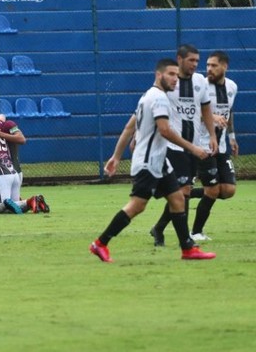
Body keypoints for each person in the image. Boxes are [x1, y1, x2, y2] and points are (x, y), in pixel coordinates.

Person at [89, 58, 216, 262]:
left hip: (159, 161)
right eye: (171, 75)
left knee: (177, 199)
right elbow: (165, 130)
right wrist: (193, 148)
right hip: (148, 162)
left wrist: (116, 156)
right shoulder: (158, 98)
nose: (176, 79)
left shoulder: (147, 96)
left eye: (177, 75)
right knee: (136, 206)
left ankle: (188, 248)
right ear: (159, 75)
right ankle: (100, 243)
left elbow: (129, 127)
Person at [149, 44, 217, 247]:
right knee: (183, 191)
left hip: (193, 145)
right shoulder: (169, 81)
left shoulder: (199, 82)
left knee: (181, 193)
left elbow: (205, 109)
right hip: (173, 146)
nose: (195, 65)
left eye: (197, 61)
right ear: (179, 59)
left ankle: (159, 228)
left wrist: (212, 135)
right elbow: (152, 106)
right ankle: (184, 238)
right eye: (191, 60)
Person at [189, 50, 238, 240]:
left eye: (213, 65)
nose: (208, 69)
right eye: (207, 65)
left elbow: (229, 112)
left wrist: (232, 137)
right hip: (203, 146)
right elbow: (191, 111)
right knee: (213, 190)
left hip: (222, 146)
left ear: (224, 67)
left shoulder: (232, 86)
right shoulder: (200, 85)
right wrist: (211, 117)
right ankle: (196, 233)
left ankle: (186, 193)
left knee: (228, 190)